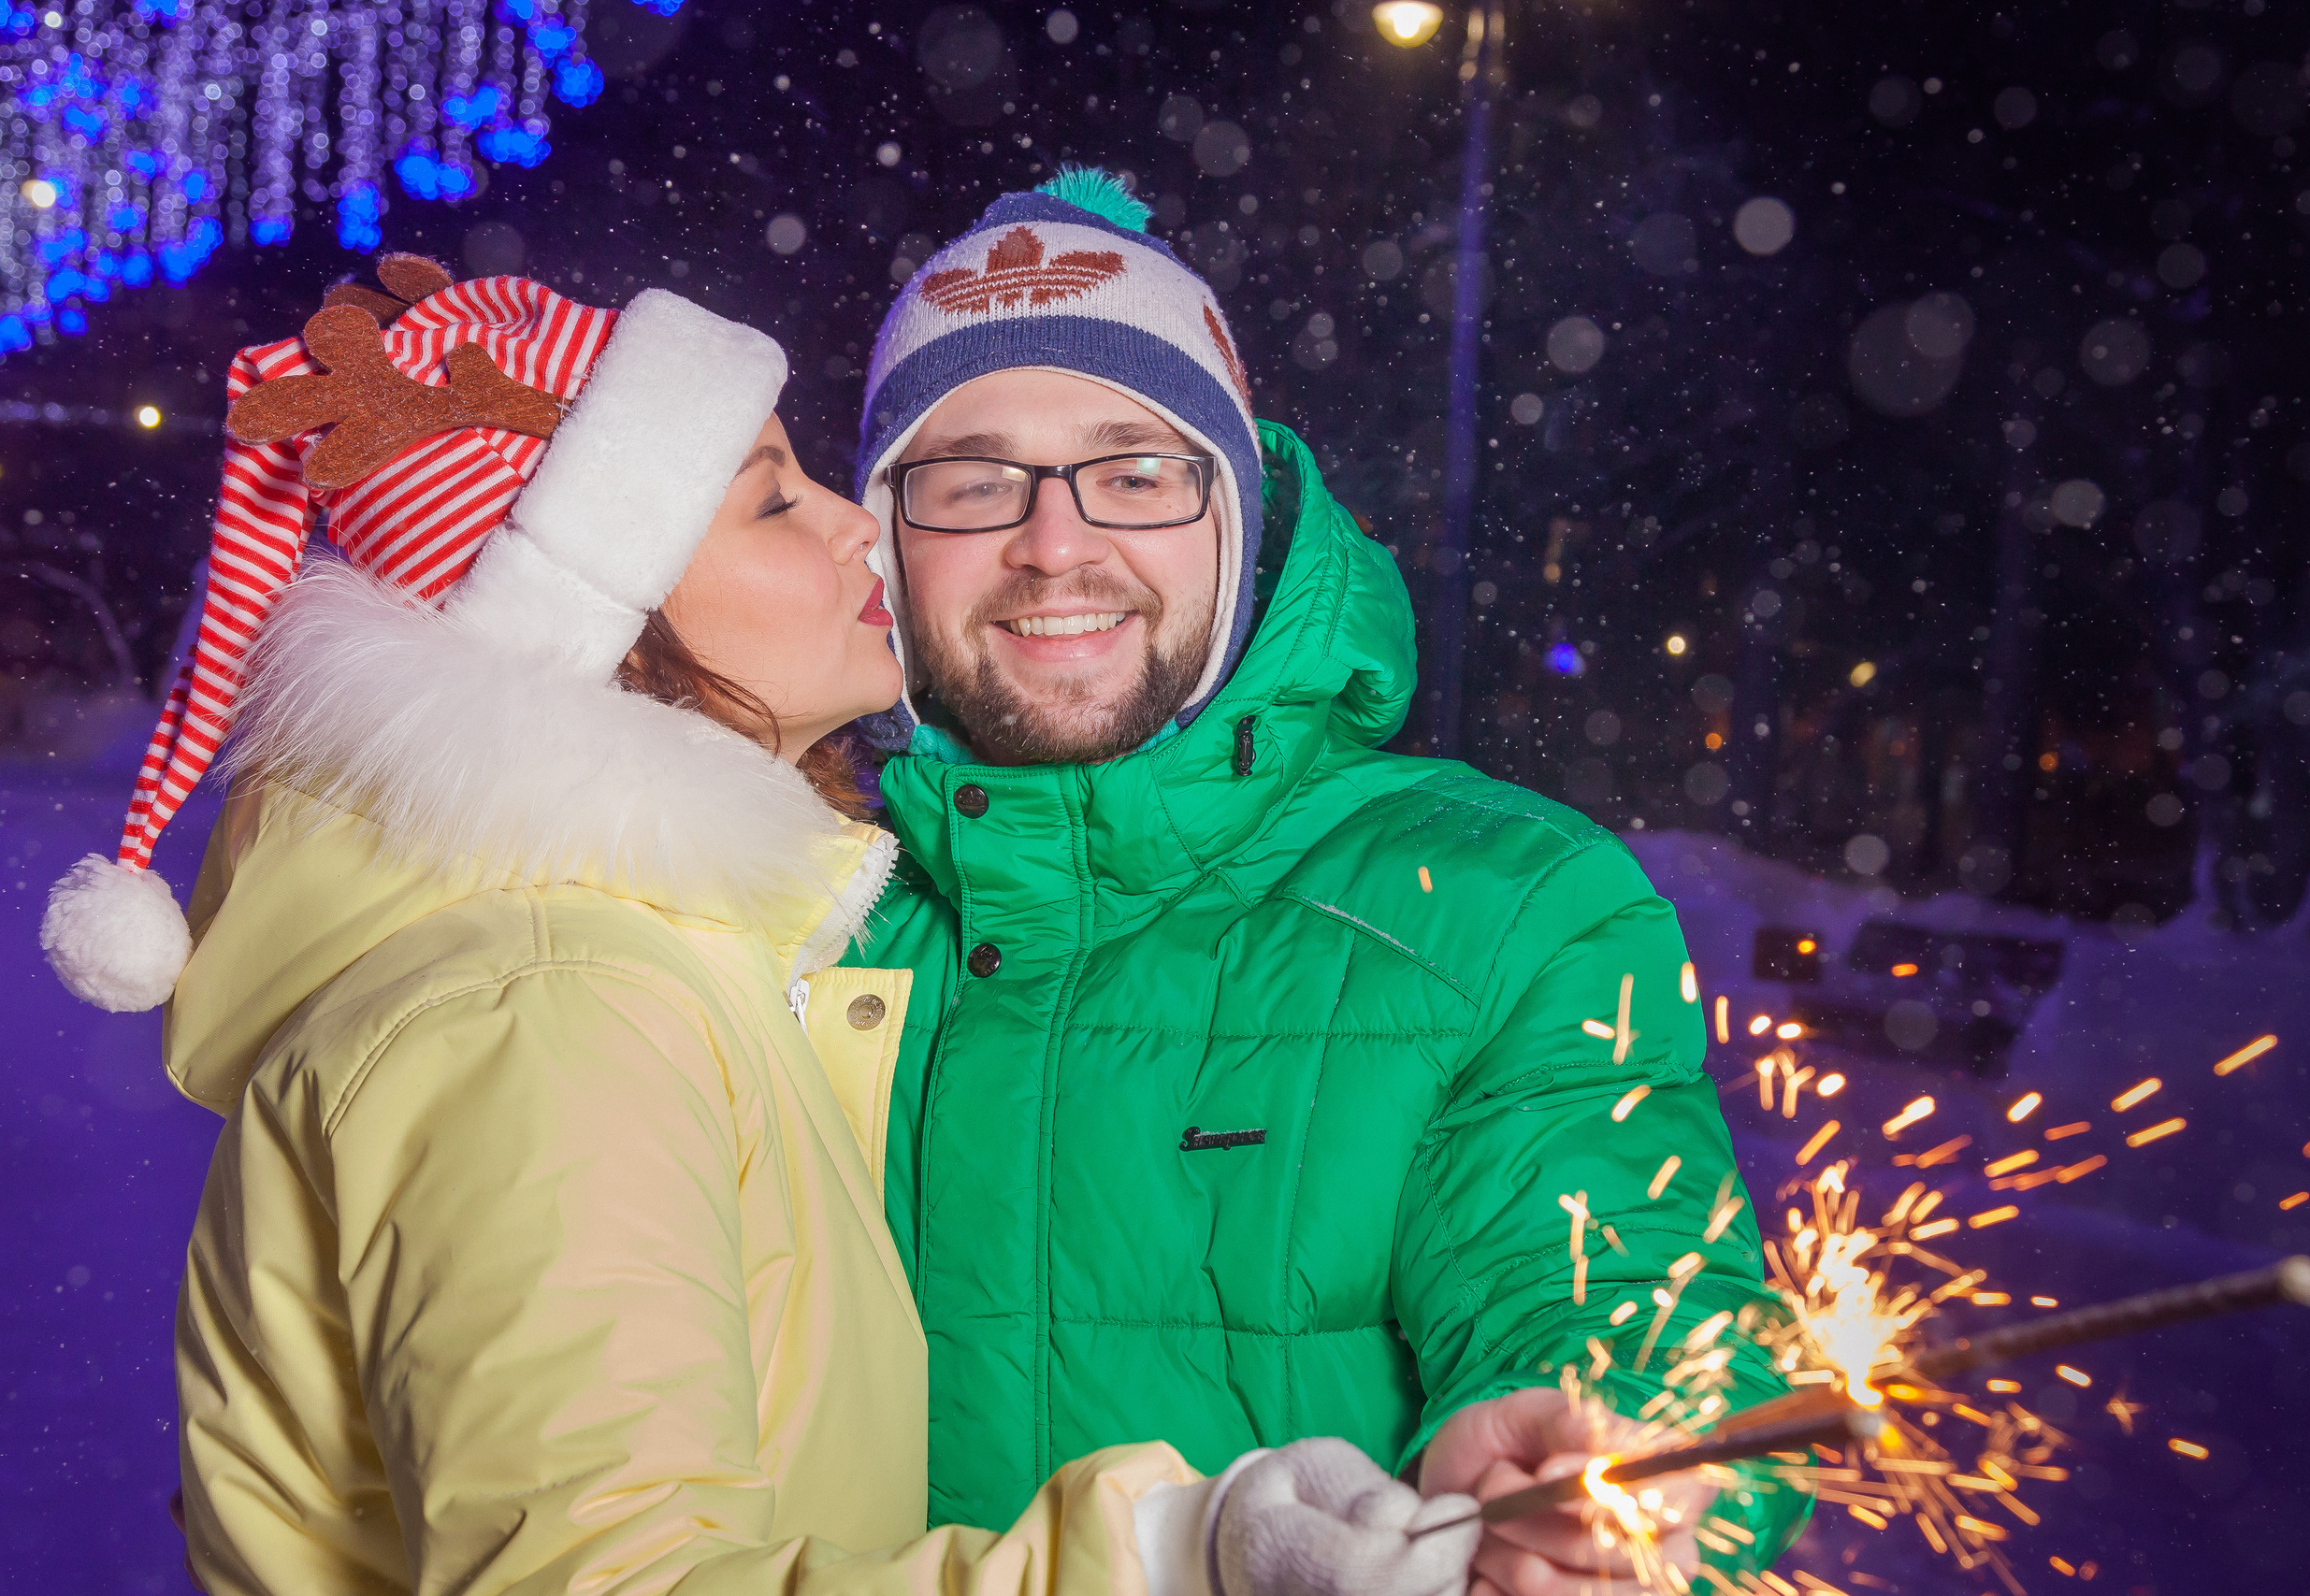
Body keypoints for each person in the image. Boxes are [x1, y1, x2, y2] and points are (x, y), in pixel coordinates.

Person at [39, 257, 1480, 1596]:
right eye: (772, 502)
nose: (858, 523)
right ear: (602, 624)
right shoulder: (550, 1011)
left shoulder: (622, 964)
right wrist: (1169, 1557)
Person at [836, 170, 1810, 1593]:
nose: (1055, 544)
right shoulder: (769, 900)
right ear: (883, 539)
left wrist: (1596, 1453)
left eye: (1135, 473)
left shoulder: (1502, 905)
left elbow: (1615, 1289)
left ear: (1235, 525)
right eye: (972, 483)